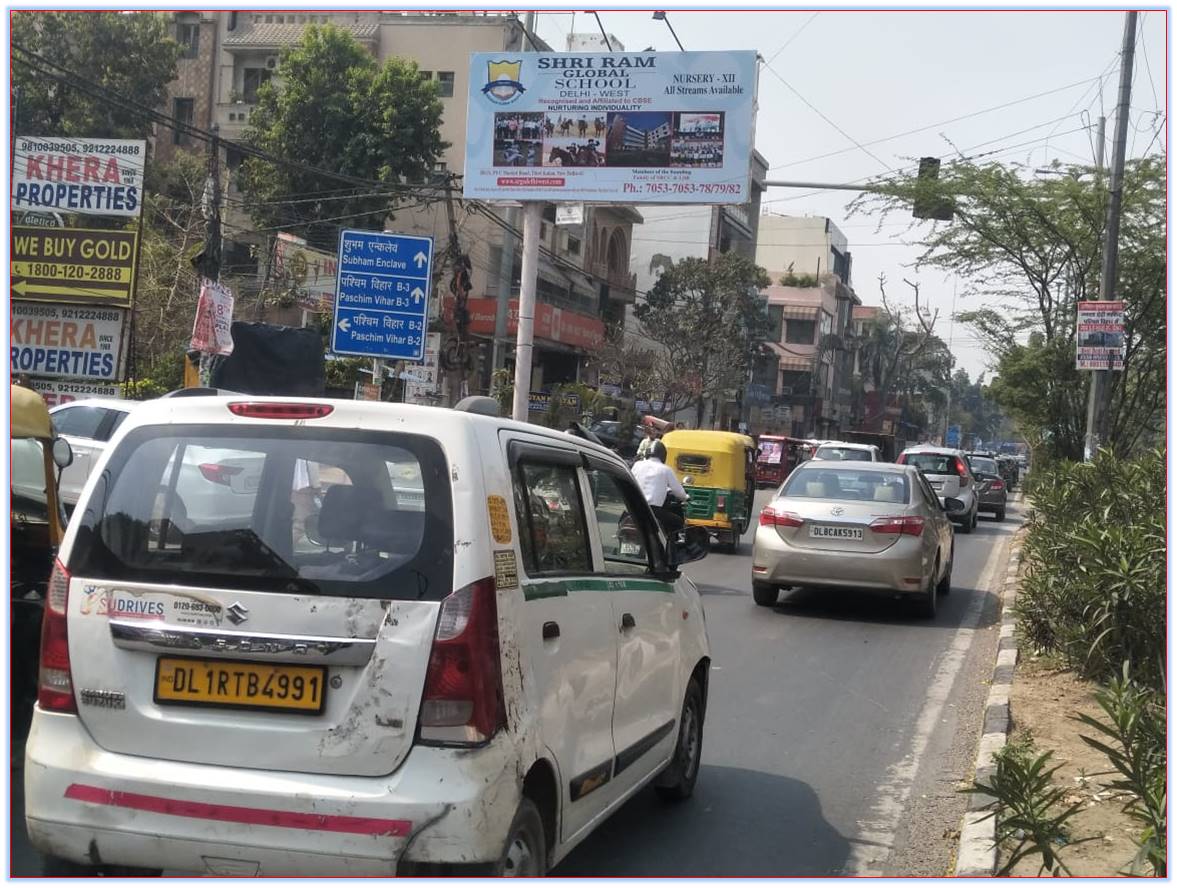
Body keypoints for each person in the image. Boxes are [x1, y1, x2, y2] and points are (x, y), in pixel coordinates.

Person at [631, 440, 688, 533]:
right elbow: (678, 491)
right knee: (678, 521)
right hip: (652, 510)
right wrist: (686, 497)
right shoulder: (666, 469)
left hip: (633, 507)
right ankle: (670, 544)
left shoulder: (637, 465)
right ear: (663, 455)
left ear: (647, 452)